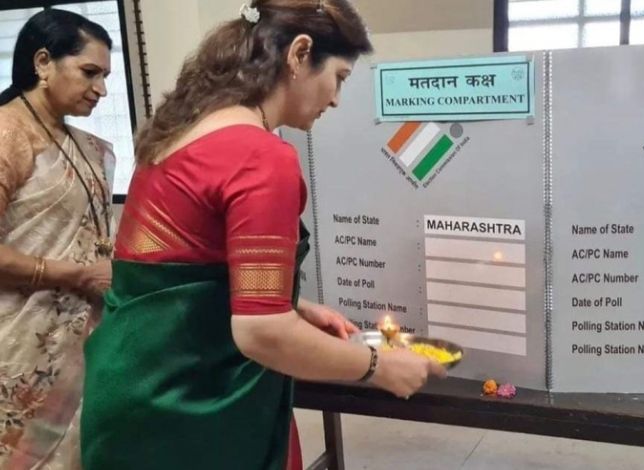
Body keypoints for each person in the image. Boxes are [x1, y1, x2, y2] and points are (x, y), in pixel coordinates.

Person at [80, 0, 447, 469]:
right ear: (299, 54)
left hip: (133, 388)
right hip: (196, 406)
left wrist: (292, 304)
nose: (335, 98)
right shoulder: (260, 156)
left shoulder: (177, 133)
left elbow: (181, 271)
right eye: (338, 77)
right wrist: (378, 368)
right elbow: (261, 332)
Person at [0, 9, 115, 470]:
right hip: (20, 341)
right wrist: (77, 274)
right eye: (90, 72)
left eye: (105, 76)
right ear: (43, 62)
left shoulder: (86, 146)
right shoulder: (8, 135)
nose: (101, 89)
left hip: (84, 338)